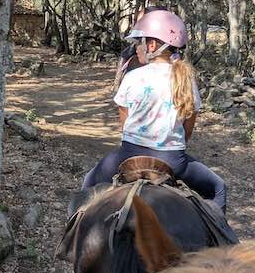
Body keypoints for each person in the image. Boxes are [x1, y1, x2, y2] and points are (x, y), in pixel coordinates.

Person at [83, 11, 228, 211]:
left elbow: (124, 125)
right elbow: (187, 131)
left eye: (139, 43)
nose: (137, 48)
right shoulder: (186, 80)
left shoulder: (132, 76)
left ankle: (74, 226)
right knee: (219, 187)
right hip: (173, 160)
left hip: (129, 155)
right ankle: (221, 230)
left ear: (152, 45)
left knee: (89, 182)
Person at [116, 0, 169, 88]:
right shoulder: (168, 13)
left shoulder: (145, 11)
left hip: (147, 43)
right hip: (163, 44)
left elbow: (138, 28)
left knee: (124, 54)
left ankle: (117, 83)